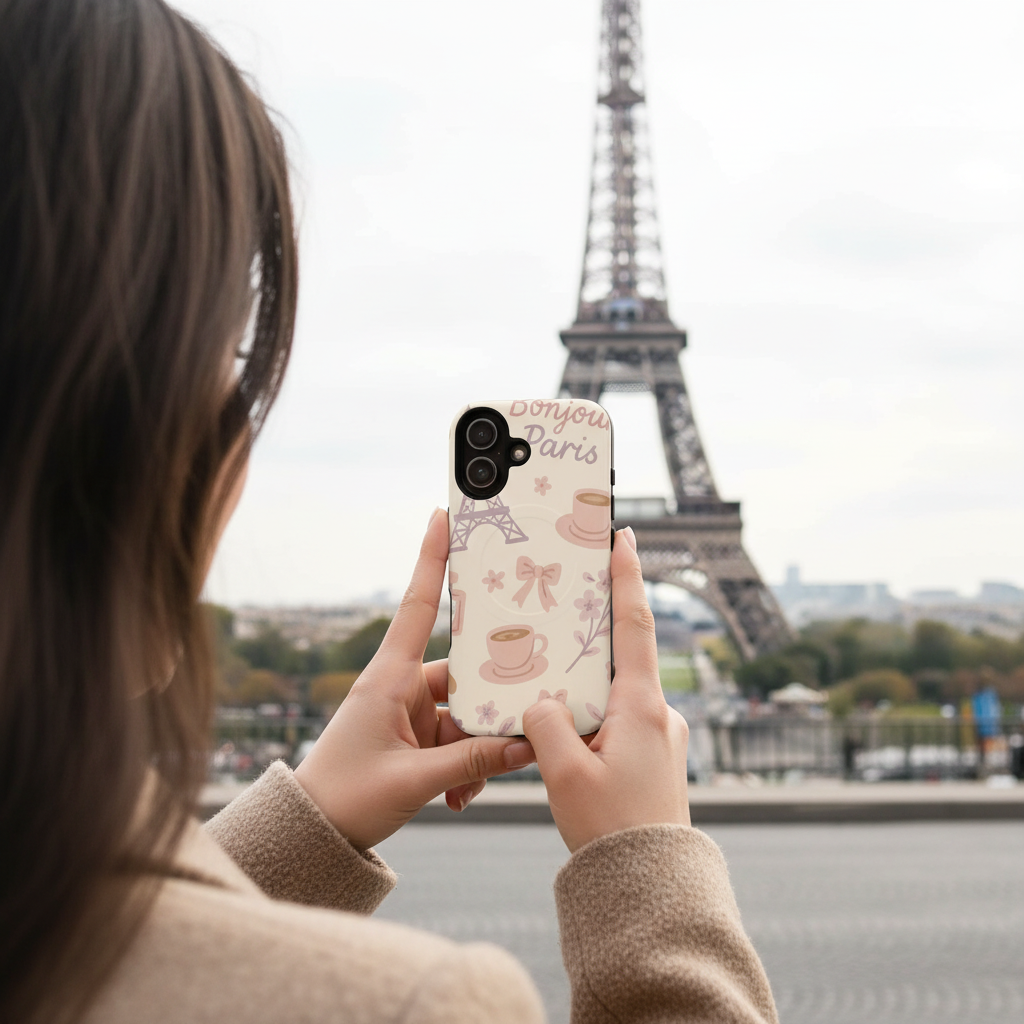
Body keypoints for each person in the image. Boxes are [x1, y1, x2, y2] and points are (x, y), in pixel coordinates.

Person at [0, 1, 778, 1022]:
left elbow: (112, 956)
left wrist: (308, 823)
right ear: (129, 407)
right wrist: (650, 868)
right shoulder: (418, 1002)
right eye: (230, 349)